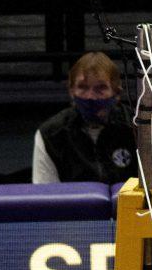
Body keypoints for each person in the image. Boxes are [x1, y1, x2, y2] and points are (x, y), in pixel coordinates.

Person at [32, 51, 137, 185]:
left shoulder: (138, 128)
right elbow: (45, 196)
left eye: (100, 88)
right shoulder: (50, 135)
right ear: (71, 91)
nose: (90, 97)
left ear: (116, 93)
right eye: (83, 87)